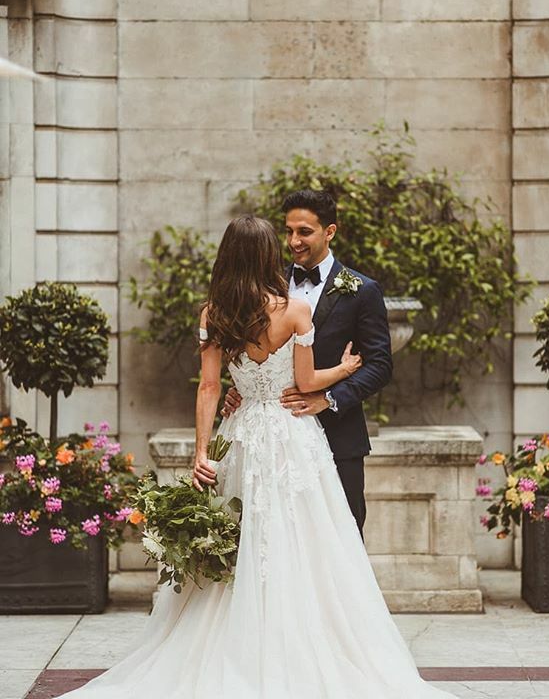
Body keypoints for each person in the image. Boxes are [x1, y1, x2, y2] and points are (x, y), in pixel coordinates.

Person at [51, 214, 457, 699]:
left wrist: (202, 452)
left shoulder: (213, 315)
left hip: (241, 436)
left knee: (240, 537)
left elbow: (208, 388)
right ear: (269, 256)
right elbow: (305, 385)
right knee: (307, 539)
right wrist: (345, 367)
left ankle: (233, 641)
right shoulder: (296, 311)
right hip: (292, 438)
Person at [221, 189, 393, 537]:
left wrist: (327, 400)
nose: (294, 241)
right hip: (273, 444)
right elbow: (250, 347)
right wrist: (239, 389)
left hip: (339, 435)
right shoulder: (267, 287)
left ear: (330, 231)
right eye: (288, 232)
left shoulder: (363, 290)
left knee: (340, 542)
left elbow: (380, 364)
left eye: (304, 232)